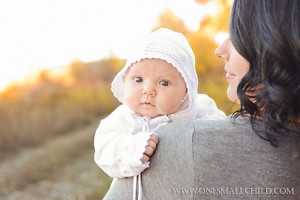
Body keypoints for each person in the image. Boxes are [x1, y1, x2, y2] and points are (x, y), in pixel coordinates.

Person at [102, 0, 300, 199]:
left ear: (280, 42)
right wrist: (131, 152)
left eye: (238, 34)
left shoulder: (185, 142)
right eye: (138, 79)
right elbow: (107, 148)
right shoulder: (125, 122)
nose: (220, 50)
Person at [94, 28, 226, 199]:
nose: (148, 91)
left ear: (186, 90)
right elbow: (105, 150)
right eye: (138, 79)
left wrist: (198, 135)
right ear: (124, 80)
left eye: (164, 82)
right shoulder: (122, 119)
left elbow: (221, 131)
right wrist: (134, 148)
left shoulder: (200, 107)